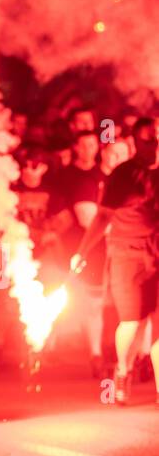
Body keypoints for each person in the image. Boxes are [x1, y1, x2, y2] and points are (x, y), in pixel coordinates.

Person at [72, 117, 159, 405]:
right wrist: (82, 252)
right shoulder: (123, 175)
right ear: (135, 142)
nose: (154, 143)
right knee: (133, 323)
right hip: (127, 255)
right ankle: (123, 369)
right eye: (148, 138)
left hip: (157, 255)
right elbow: (103, 217)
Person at [47, 131, 105, 377]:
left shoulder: (101, 175)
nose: (89, 149)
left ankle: (96, 355)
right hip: (68, 247)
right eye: (84, 145)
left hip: (96, 249)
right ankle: (46, 346)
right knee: (59, 298)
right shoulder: (65, 176)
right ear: (76, 147)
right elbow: (59, 213)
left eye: (93, 144)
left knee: (94, 304)